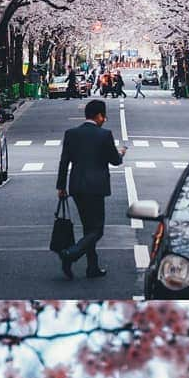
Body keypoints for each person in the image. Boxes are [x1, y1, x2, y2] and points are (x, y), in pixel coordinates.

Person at [55, 98, 126, 280]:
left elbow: (64, 162)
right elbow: (115, 161)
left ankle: (92, 267)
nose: (104, 120)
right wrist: (121, 153)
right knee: (97, 230)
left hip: (77, 186)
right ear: (99, 115)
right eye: (104, 116)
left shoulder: (71, 133)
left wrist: (61, 186)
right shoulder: (104, 135)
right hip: (96, 187)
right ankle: (71, 254)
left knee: (88, 227)